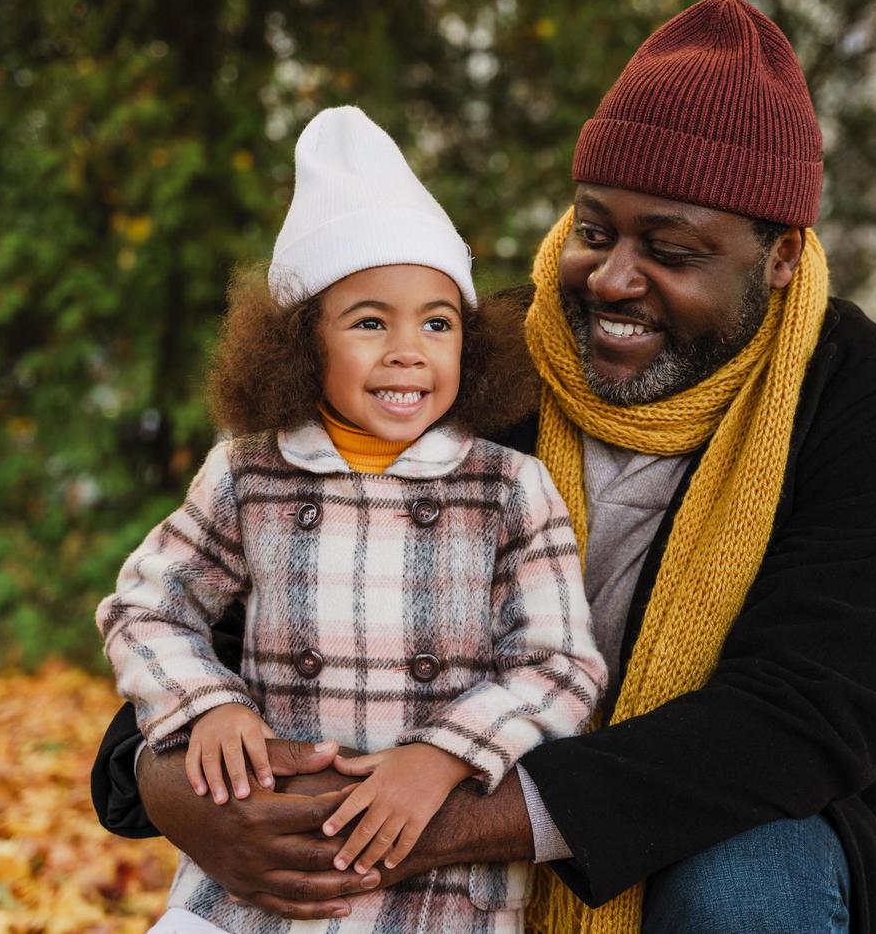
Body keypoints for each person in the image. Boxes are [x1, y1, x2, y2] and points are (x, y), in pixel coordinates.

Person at [93, 0, 876, 934]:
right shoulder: (467, 354)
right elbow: (248, 589)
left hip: (714, 815)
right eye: (593, 229)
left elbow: (810, 708)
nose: (614, 278)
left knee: (743, 890)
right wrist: (181, 786)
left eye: (671, 249)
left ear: (779, 256)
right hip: (391, 782)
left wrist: (452, 818)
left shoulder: (856, 393)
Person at [96, 105, 606, 933]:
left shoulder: (511, 488)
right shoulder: (249, 472)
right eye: (370, 321)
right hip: (262, 880)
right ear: (300, 344)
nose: (409, 350)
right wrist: (207, 707)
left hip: (440, 891)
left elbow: (560, 665)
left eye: (437, 323)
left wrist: (443, 756)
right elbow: (146, 606)